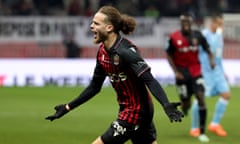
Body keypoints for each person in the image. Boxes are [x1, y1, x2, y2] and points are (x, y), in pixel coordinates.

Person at [45, 6, 183, 144]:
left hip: (135, 112)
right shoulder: (102, 52)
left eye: (96, 23)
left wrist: (166, 104)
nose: (91, 27)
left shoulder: (126, 51)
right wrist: (68, 107)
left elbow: (149, 79)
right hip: (130, 110)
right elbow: (94, 86)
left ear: (109, 28)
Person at [164, 14, 215, 142]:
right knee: (186, 103)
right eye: (183, 22)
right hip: (182, 75)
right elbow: (169, 55)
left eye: (188, 22)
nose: (186, 24)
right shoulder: (174, 37)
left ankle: (202, 132)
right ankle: (186, 108)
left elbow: (208, 49)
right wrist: (175, 71)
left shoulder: (197, 35)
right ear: (181, 23)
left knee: (200, 98)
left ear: (191, 23)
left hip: (196, 72)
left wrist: (211, 60)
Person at [191, 14, 230, 137]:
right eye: (219, 24)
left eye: (222, 24)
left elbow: (218, 56)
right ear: (212, 23)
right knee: (200, 98)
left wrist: (222, 71)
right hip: (205, 72)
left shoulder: (219, 36)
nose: (221, 27)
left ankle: (214, 124)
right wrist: (218, 34)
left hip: (217, 71)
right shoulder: (204, 35)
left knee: (225, 94)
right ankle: (194, 128)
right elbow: (211, 50)